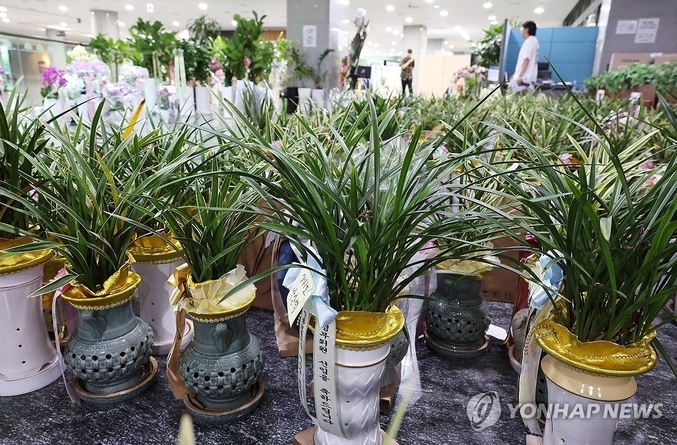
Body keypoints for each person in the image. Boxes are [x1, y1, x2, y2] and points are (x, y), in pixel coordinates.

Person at [510, 21, 539, 92]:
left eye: (522, 29)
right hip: (526, 78)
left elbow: (526, 59)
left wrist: (520, 76)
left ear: (526, 30)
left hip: (524, 79)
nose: (521, 31)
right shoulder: (534, 41)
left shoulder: (530, 42)